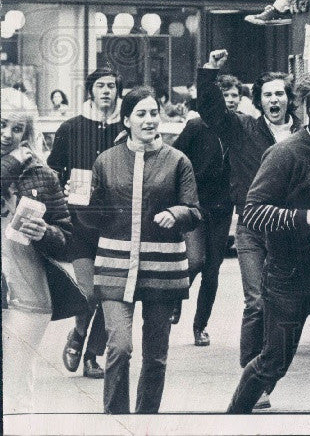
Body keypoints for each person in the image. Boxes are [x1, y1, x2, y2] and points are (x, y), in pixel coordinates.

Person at [227, 59, 310, 414]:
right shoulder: (285, 153)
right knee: (273, 363)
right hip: (288, 276)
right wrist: (307, 217)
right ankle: (231, 421)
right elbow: (254, 212)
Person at [83, 86, 201, 414]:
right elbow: (94, 219)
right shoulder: (105, 162)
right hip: (115, 268)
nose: (149, 120)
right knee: (119, 347)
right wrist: (79, 201)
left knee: (156, 358)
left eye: (153, 113)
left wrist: (175, 213)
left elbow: (194, 211)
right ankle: (116, 420)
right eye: (141, 114)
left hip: (163, 272)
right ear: (126, 120)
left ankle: (147, 422)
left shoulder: (178, 161)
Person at [197, 49, 300, 410]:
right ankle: (253, 381)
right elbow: (210, 111)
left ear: (290, 99)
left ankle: (268, 371)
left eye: (280, 94)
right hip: (253, 229)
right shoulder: (242, 130)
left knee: (283, 306)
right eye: (268, 94)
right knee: (256, 302)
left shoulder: (304, 135)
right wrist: (210, 70)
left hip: (292, 233)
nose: (275, 99)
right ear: (258, 101)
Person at [47, 67, 123, 381]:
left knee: (111, 295)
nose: (107, 91)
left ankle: (93, 356)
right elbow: (52, 171)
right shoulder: (70, 127)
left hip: (117, 223)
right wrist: (62, 191)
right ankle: (78, 333)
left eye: (112, 86)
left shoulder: (125, 128)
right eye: (101, 86)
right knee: (89, 292)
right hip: (79, 222)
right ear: (90, 91)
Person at [2, 97, 74, 414]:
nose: (7, 134)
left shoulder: (42, 175)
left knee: (16, 387)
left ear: (27, 132)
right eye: (2, 124)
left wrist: (45, 232)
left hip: (28, 296)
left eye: (17, 128)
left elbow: (66, 239)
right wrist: (13, 161)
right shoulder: (16, 162)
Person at [170, 73, 239, 345]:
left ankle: (200, 326)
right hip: (196, 204)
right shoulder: (197, 127)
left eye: (236, 96)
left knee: (212, 270)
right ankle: (176, 296)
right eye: (226, 96)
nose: (231, 100)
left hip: (223, 207)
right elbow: (175, 158)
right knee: (196, 260)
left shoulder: (240, 128)